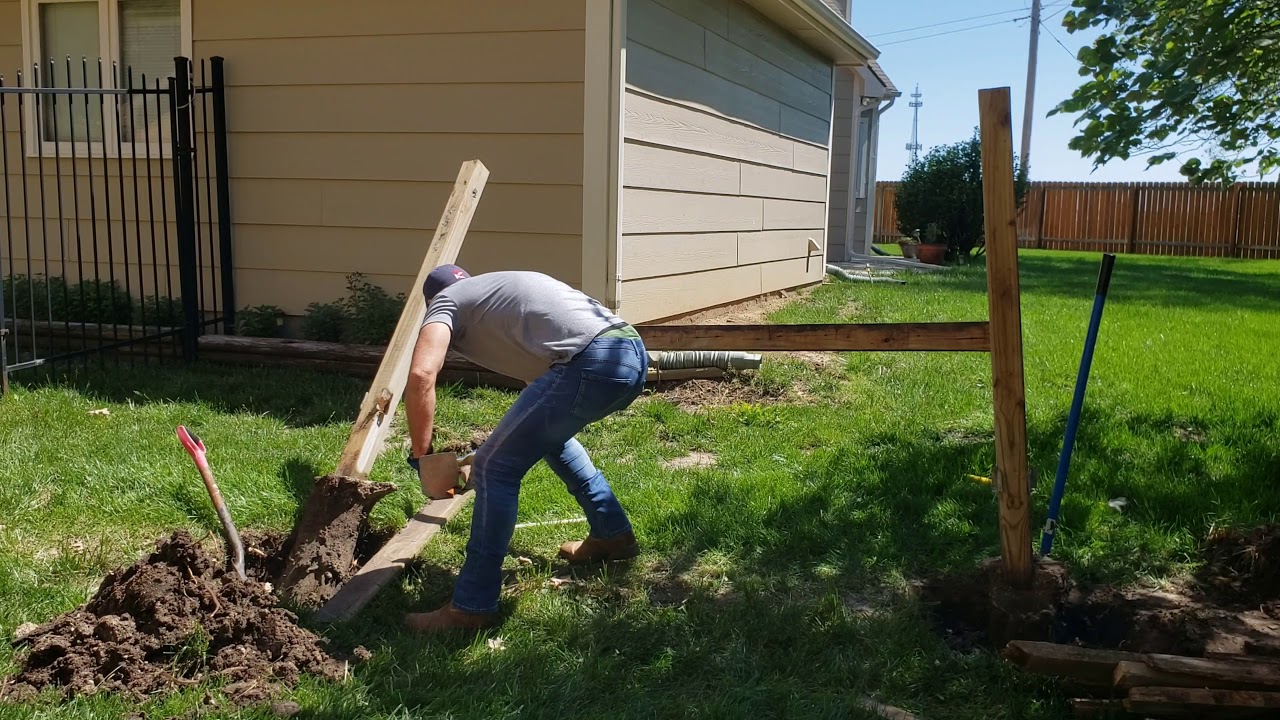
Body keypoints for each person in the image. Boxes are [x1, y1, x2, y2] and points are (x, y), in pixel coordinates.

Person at [401, 264, 649, 633]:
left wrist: (422, 456)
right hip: (629, 351)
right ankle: (612, 535)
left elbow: (421, 374)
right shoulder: (492, 296)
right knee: (551, 440)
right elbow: (540, 381)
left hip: (592, 360)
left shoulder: (446, 301)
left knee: (494, 470)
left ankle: (471, 607)